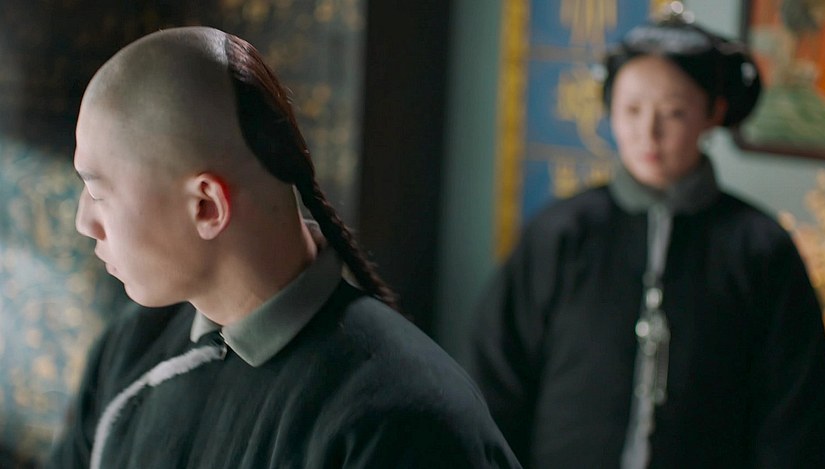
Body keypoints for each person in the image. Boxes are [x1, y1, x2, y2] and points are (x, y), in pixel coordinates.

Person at [47, 26, 521, 469]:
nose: (84, 222)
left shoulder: (401, 421)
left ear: (207, 207)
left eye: (99, 192)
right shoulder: (132, 347)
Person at [468, 13, 825, 469]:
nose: (649, 132)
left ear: (714, 112)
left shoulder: (761, 249)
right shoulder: (561, 234)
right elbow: (495, 384)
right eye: (632, 110)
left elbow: (797, 417)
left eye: (674, 112)